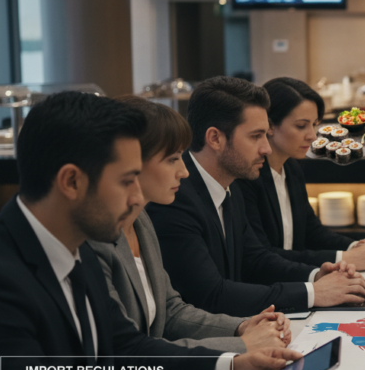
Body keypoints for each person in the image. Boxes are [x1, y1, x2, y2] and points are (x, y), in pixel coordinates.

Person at [0, 92, 308, 370]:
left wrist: (232, 367)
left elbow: (127, 350)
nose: (137, 197)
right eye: (126, 181)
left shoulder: (73, 246)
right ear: (71, 181)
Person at [147, 76, 365, 317]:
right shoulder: (175, 197)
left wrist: (317, 275)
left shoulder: (230, 183)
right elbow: (210, 295)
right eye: (255, 136)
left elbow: (255, 259)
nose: (266, 147)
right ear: (215, 138)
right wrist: (313, 292)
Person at [88, 97, 291, 353]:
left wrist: (242, 327)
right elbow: (126, 351)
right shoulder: (95, 240)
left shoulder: (141, 221)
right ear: (132, 163)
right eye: (173, 159)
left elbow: (171, 310)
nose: (184, 171)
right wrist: (241, 346)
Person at [238, 77, 365, 269]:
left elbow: (312, 231)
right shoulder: (248, 176)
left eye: (314, 124)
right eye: (301, 126)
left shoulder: (291, 167)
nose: (312, 135)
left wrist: (356, 247)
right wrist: (343, 258)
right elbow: (262, 256)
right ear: (270, 125)